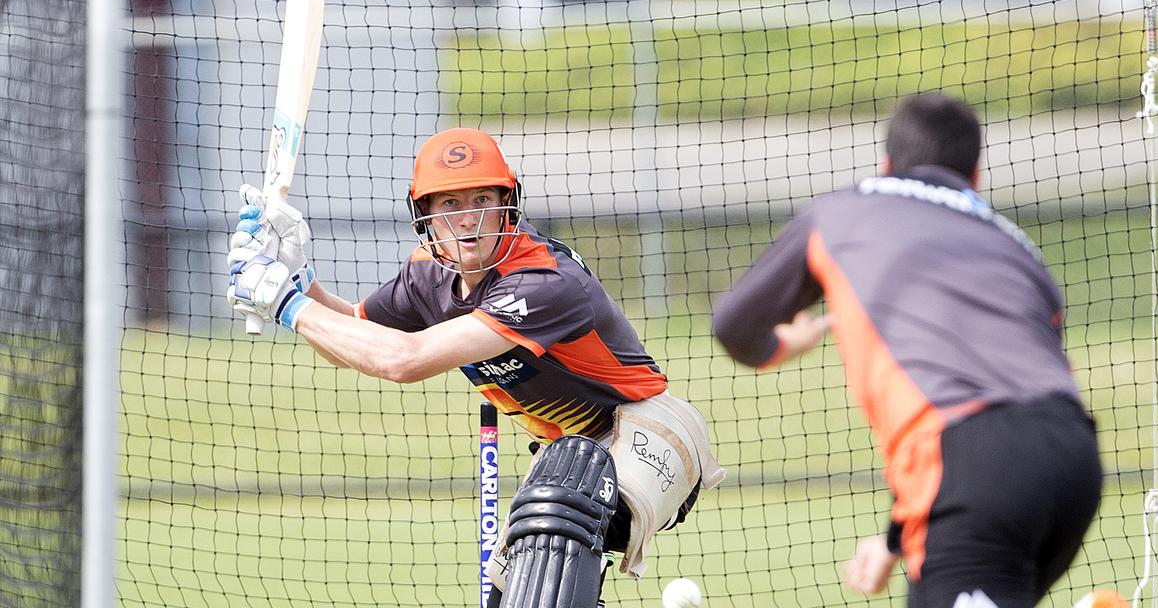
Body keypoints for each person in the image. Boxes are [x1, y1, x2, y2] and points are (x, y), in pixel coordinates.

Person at [227, 127, 724, 608]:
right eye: (450, 204)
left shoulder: (542, 281)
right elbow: (355, 336)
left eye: (481, 199)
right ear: (425, 215)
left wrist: (283, 300)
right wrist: (300, 278)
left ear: (507, 203)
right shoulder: (427, 274)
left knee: (555, 515)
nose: (468, 219)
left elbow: (403, 360)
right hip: (566, 454)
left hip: (650, 434)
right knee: (514, 585)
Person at [711, 92, 1102, 607]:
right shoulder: (1016, 247)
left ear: (886, 164)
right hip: (1072, 457)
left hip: (974, 469)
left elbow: (734, 325)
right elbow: (972, 389)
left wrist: (782, 344)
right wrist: (897, 540)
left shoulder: (843, 212)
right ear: (976, 176)